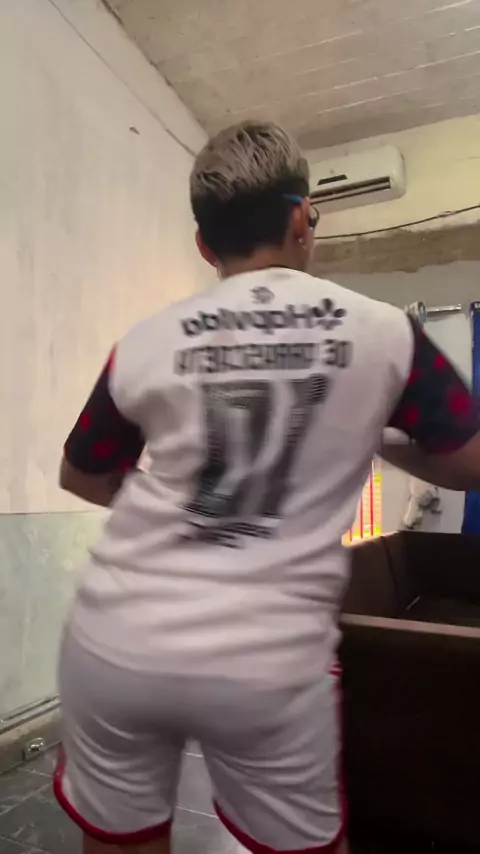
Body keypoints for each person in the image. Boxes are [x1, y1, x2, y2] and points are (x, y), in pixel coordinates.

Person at [56, 121, 480, 854]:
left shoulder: (146, 341)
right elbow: (472, 462)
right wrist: (368, 435)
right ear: (301, 219)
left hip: (116, 638)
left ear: (204, 245)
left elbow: (81, 473)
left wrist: (185, 510)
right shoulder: (385, 333)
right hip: (264, 661)